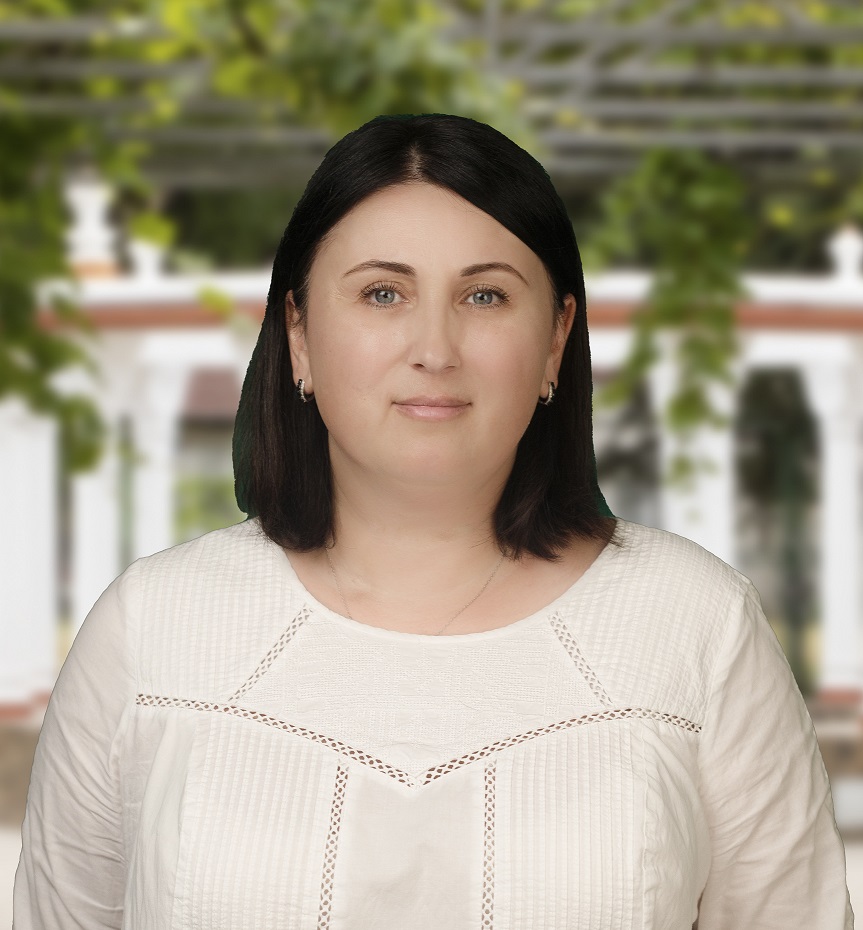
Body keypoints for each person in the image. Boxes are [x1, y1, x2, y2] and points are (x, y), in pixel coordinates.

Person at [14, 113, 853, 929]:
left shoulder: (697, 625)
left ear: (555, 338)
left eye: (485, 295)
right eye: (382, 293)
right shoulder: (152, 629)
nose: (434, 349)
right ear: (298, 333)